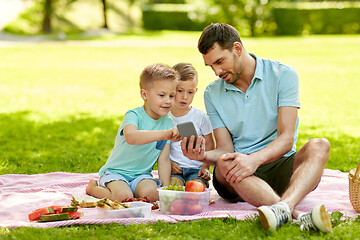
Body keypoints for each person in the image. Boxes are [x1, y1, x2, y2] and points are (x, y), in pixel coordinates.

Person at [180, 23, 332, 233]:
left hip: (279, 164)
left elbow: (286, 138)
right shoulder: (212, 93)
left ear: (237, 49)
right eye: (211, 66)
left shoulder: (283, 75)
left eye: (220, 62)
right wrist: (202, 156)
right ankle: (295, 214)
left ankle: (282, 209)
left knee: (320, 145)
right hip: (238, 176)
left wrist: (255, 159)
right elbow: (225, 149)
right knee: (225, 163)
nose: (216, 71)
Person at [86, 63, 181, 203]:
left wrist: (166, 189)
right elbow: (131, 137)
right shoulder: (133, 116)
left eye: (172, 96)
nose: (168, 101)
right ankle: (93, 189)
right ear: (144, 94)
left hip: (142, 175)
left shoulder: (167, 122)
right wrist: (164, 134)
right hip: (116, 173)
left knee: (153, 195)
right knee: (122, 197)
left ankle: (136, 190)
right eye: (162, 95)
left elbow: (164, 159)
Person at [169, 63, 215, 188]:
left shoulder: (200, 117)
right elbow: (159, 146)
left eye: (190, 92)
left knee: (195, 188)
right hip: (175, 170)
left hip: (197, 170)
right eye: (180, 91)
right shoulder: (165, 117)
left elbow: (210, 144)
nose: (185, 97)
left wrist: (205, 167)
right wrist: (170, 163)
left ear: (195, 91)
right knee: (174, 189)